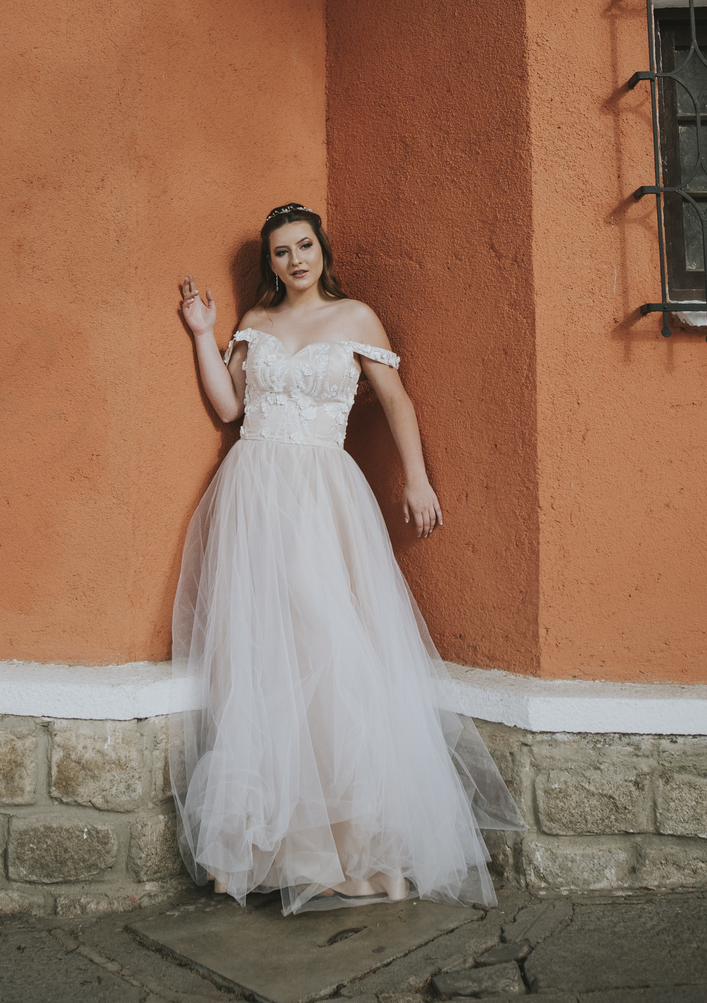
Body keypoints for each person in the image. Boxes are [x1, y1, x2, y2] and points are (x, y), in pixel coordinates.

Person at [171, 202, 524, 916]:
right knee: (261, 656)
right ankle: (262, 845)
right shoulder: (256, 325)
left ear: (321, 251)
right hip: (255, 489)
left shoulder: (357, 317)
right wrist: (206, 335)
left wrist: (416, 479)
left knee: (331, 644)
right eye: (280, 251)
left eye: (304, 246)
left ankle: (356, 843)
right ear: (269, 263)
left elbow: (395, 399)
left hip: (323, 492)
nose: (294, 259)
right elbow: (228, 410)